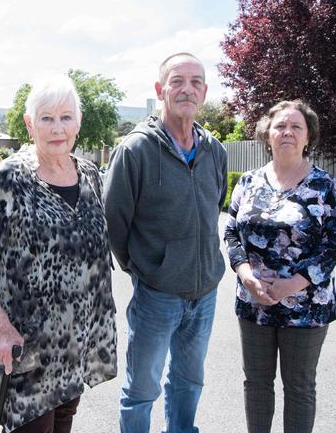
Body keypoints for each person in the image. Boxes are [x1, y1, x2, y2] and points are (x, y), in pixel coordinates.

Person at [0, 77, 117, 432]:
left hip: (76, 348)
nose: (57, 128)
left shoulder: (90, 175)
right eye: (46, 118)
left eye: (65, 117)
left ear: (79, 121)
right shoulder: (9, 178)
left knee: (63, 424)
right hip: (25, 349)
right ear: (30, 125)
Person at [104, 52, 228, 433]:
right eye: (177, 81)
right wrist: (147, 268)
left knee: (189, 382)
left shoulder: (216, 151)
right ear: (161, 90)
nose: (186, 89)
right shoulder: (135, 150)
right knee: (142, 390)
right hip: (157, 294)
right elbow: (115, 222)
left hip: (205, 292)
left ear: (204, 92)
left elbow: (216, 205)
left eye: (195, 82)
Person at [224, 100, 336, 433]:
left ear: (308, 137)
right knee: (257, 383)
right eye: (280, 126)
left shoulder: (324, 186)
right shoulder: (248, 182)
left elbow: (334, 243)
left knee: (299, 387)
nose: (287, 132)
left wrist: (295, 284)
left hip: (307, 307)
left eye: (296, 127)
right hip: (254, 302)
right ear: (268, 135)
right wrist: (246, 275)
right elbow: (232, 231)